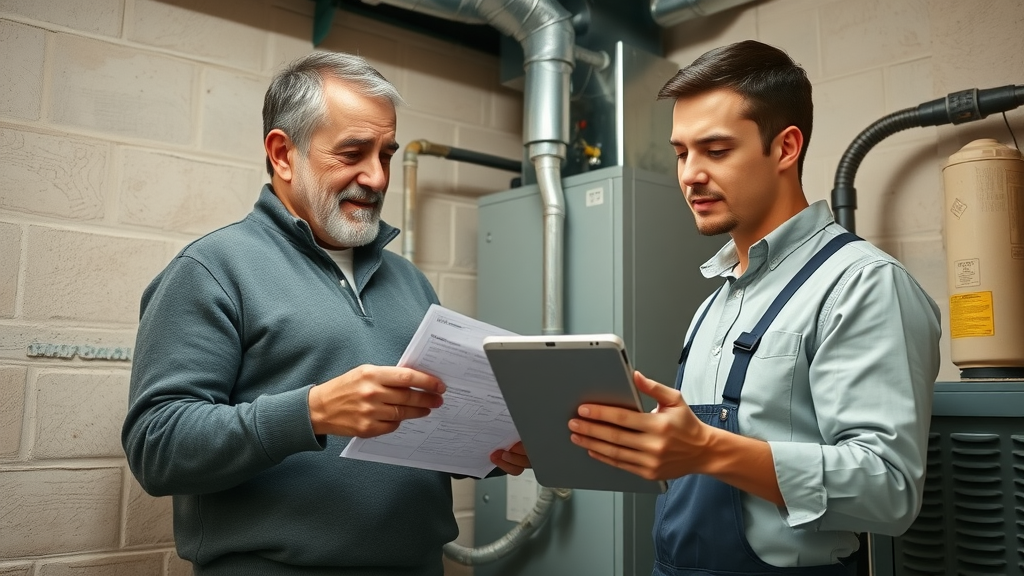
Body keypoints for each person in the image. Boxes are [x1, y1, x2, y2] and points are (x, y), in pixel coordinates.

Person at [122, 51, 528, 576]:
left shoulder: (411, 283)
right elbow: (157, 446)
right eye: (354, 152)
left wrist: (495, 451)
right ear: (282, 154)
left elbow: (430, 435)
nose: (378, 177)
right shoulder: (212, 270)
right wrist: (309, 413)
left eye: (387, 154)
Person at [567, 40, 941, 575]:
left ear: (786, 148)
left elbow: (889, 489)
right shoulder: (718, 299)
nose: (690, 174)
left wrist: (707, 451)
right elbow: (694, 456)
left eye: (715, 150)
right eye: (681, 152)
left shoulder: (862, 284)